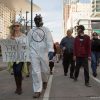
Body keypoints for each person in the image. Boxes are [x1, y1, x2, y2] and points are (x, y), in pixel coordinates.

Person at [27, 14, 54, 98]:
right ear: (35, 21)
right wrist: (27, 55)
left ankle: (45, 80)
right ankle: (37, 90)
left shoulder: (46, 30)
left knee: (45, 70)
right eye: (36, 20)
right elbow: (27, 42)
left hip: (44, 52)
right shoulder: (31, 31)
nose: (38, 21)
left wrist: (51, 50)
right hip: (34, 52)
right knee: (35, 71)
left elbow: (49, 40)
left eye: (39, 20)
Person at [9, 22, 28, 95]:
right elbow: (6, 44)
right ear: (13, 27)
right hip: (13, 57)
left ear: (20, 27)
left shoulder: (23, 36)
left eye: (17, 26)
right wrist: (10, 40)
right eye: (15, 26)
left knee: (18, 71)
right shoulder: (10, 35)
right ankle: (17, 87)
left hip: (20, 56)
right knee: (15, 72)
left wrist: (16, 40)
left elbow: (25, 45)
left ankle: (19, 88)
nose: (16, 27)